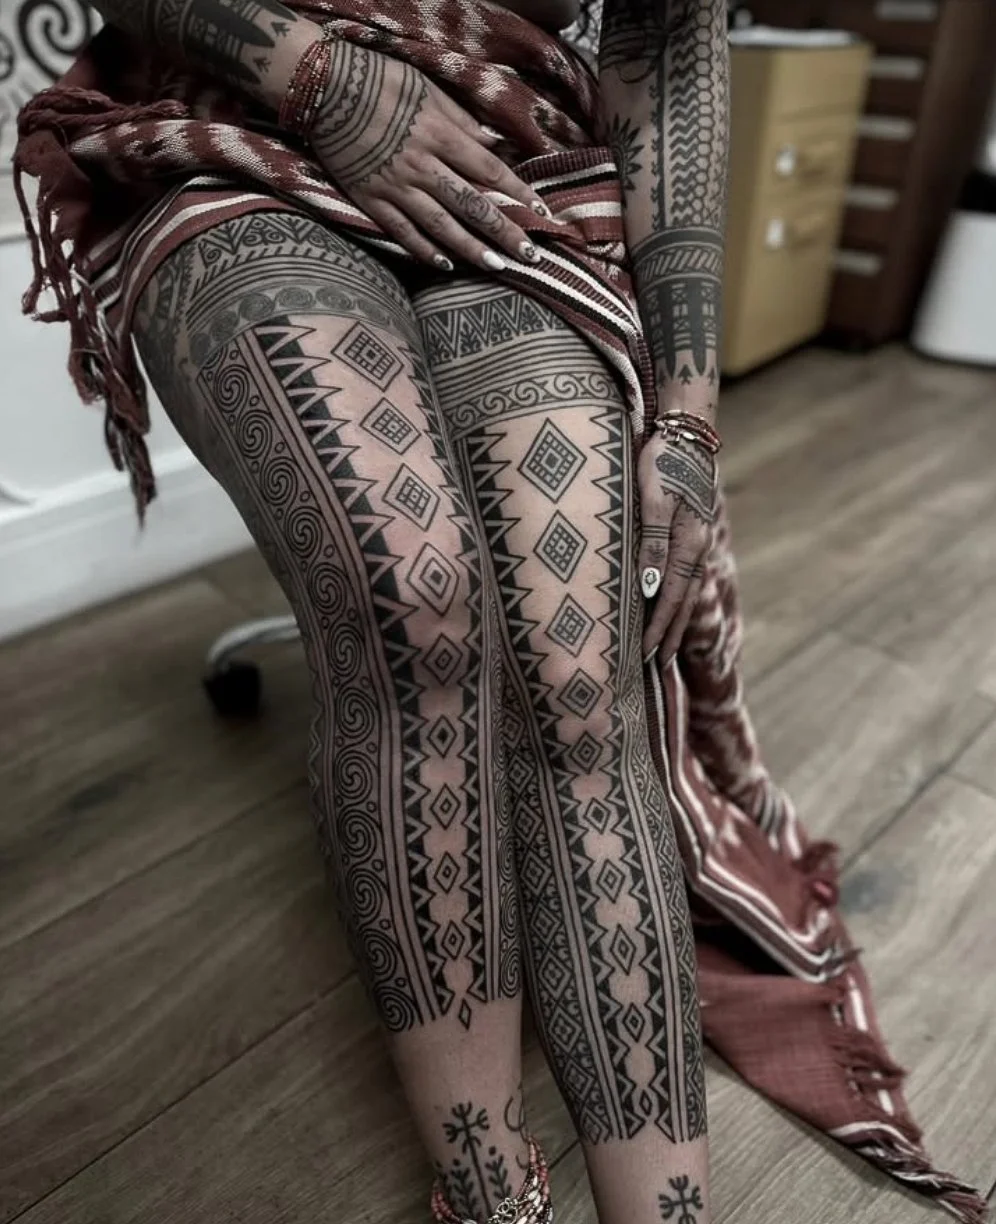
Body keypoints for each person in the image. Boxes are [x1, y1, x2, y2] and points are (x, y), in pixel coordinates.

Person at [12, 2, 986, 1222]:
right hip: (240, 130)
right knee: (419, 597)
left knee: (585, 675)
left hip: (512, 176)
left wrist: (685, 414)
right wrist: (314, 76)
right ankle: (484, 1188)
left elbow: (666, 43)